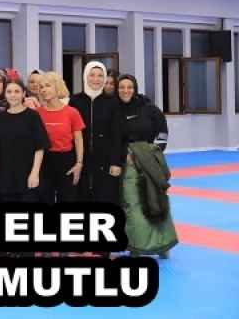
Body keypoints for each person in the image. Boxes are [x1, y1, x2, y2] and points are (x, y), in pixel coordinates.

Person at [116, 74, 177, 259]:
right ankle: (137, 245)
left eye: (129, 87)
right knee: (132, 204)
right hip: (129, 164)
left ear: (135, 88)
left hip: (150, 161)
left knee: (156, 200)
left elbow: (162, 131)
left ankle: (164, 244)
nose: (125, 91)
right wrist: (124, 154)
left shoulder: (149, 108)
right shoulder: (115, 110)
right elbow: (112, 137)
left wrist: (155, 151)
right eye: (121, 87)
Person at [69, 61, 122, 204]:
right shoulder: (75, 101)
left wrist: (115, 162)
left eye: (100, 75)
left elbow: (117, 134)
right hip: (80, 158)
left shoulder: (112, 102)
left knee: (105, 197)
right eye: (92, 75)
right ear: (85, 76)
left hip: (105, 159)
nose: (96, 79)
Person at [0, 80, 48, 203]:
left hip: (28, 176)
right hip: (6, 177)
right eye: (9, 92)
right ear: (4, 94)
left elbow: (40, 147)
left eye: (17, 91)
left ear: (23, 93)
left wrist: (35, 173)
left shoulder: (33, 116)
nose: (13, 95)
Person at [36, 72, 84, 204]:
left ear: (57, 87)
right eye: (41, 87)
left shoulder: (72, 112)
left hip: (66, 161)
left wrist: (79, 163)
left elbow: (79, 140)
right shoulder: (36, 113)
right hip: (44, 161)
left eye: (47, 85)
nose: (43, 89)